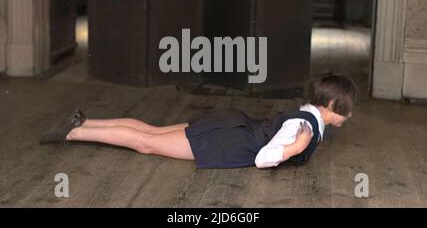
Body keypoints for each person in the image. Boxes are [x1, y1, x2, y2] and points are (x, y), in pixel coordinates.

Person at [39, 73, 358, 169]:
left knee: (152, 131)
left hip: (235, 127)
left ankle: (85, 122)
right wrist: (292, 149)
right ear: (330, 104)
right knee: (148, 143)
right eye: (346, 108)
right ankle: (76, 132)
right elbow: (263, 158)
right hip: (230, 140)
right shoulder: (304, 128)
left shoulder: (311, 119)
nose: (350, 114)